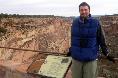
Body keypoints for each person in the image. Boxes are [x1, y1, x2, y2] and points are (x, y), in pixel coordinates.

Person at [67, 2, 115, 78]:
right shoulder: (75, 22)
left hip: (90, 58)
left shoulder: (96, 22)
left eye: (85, 10)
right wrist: (71, 50)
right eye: (81, 10)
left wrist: (106, 53)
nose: (83, 12)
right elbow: (73, 39)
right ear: (79, 11)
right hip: (76, 59)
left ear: (89, 10)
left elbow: (101, 39)